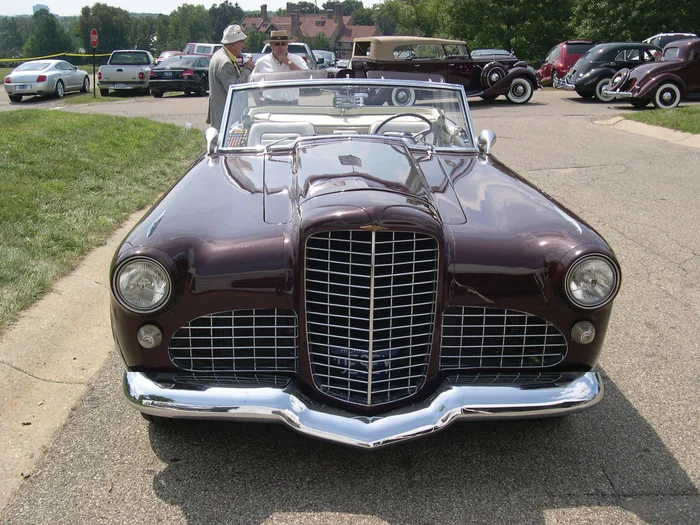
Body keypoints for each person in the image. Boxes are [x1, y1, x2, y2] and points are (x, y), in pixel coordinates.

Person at [206, 24, 255, 131]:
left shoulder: (218, 54)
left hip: (223, 113)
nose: (243, 45)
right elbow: (235, 88)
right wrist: (247, 69)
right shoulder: (225, 63)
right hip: (226, 115)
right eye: (241, 42)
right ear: (233, 44)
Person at [253, 30, 309, 104]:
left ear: (287, 45)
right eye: (277, 44)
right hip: (270, 103)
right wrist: (257, 101)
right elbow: (253, 82)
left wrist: (289, 63)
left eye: (283, 44)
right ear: (271, 45)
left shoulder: (297, 59)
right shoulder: (262, 62)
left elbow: (307, 77)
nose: (280, 47)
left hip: (292, 104)